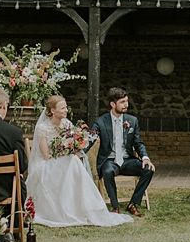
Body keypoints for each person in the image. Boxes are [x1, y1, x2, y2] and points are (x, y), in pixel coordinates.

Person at [27, 95, 133, 227]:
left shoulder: (67, 124)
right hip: (47, 164)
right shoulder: (43, 128)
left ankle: (83, 207)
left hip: (65, 161)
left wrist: (74, 146)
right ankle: (71, 208)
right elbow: (46, 155)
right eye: (63, 108)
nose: (66, 110)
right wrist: (64, 154)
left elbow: (74, 144)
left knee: (73, 160)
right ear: (53, 110)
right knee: (72, 161)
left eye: (66, 107)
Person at [89, 86, 155, 217]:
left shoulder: (132, 120)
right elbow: (90, 139)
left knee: (149, 169)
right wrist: (76, 151)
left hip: (127, 160)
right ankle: (115, 207)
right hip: (110, 160)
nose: (126, 105)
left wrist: (145, 157)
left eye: (126, 101)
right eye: (122, 102)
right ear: (113, 104)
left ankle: (133, 204)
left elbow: (138, 142)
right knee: (107, 171)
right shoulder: (101, 121)